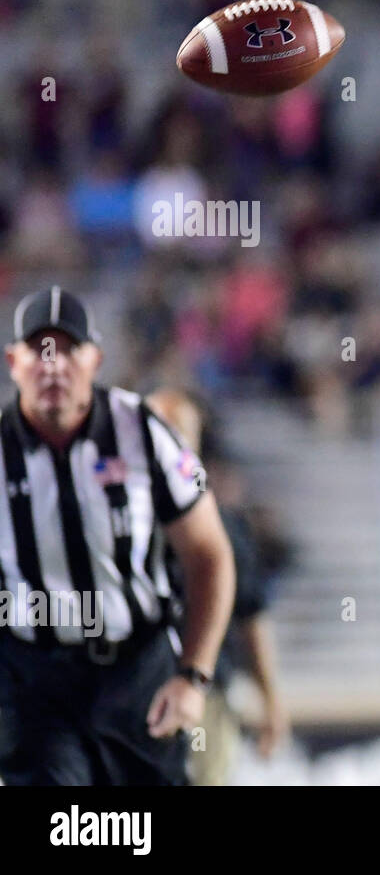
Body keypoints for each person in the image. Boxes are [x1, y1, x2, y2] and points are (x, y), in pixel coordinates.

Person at [0, 286, 235, 785]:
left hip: (136, 674)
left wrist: (193, 675)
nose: (53, 365)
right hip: (33, 679)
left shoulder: (144, 431)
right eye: (39, 350)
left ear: (96, 359)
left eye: (68, 349)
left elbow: (209, 554)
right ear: (13, 361)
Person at [147, 388, 290, 785]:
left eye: (178, 432)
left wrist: (271, 701)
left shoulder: (224, 528)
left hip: (203, 695)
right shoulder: (112, 522)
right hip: (130, 693)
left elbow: (252, 617)